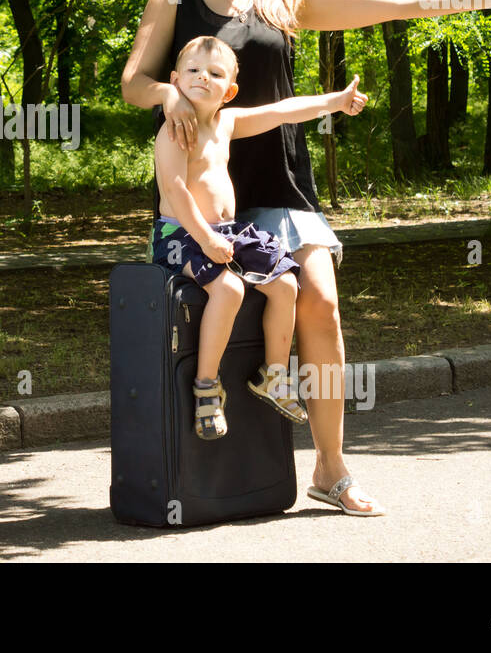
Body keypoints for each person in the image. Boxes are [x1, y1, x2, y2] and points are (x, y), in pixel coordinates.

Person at [121, 0, 491, 516]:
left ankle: (330, 469)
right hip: (202, 188)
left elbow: (393, 1)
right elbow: (135, 81)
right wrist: (169, 93)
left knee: (322, 304)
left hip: (279, 178)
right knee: (228, 303)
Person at [151, 34, 368, 440]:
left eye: (215, 73)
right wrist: (206, 238)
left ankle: (272, 374)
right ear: (176, 80)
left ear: (229, 90)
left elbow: (282, 110)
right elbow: (177, 191)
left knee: (286, 283)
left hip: (225, 232)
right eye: (194, 71)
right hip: (179, 233)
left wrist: (334, 101)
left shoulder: (226, 122)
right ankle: (206, 388)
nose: (203, 78)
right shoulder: (174, 130)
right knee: (229, 290)